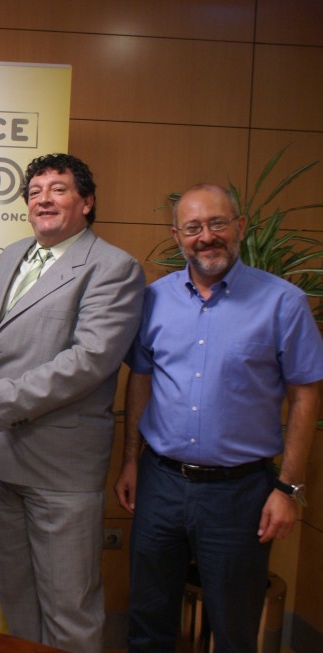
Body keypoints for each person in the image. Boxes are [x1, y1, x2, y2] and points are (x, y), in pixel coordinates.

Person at [0, 153, 145, 652]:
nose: (43, 200)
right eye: (34, 193)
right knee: (19, 601)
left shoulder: (112, 267)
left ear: (86, 202)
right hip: (3, 460)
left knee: (70, 610)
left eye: (58, 190)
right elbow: (3, 334)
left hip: (61, 471)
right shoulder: (14, 256)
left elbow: (90, 360)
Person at [113, 184, 323, 653]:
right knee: (148, 621)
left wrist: (288, 489)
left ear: (240, 227)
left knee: (233, 628)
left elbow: (306, 394)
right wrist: (131, 461)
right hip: (160, 483)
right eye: (193, 228)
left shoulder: (282, 302)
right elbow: (141, 381)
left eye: (217, 223)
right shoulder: (154, 299)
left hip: (240, 493)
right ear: (176, 236)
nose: (206, 236)